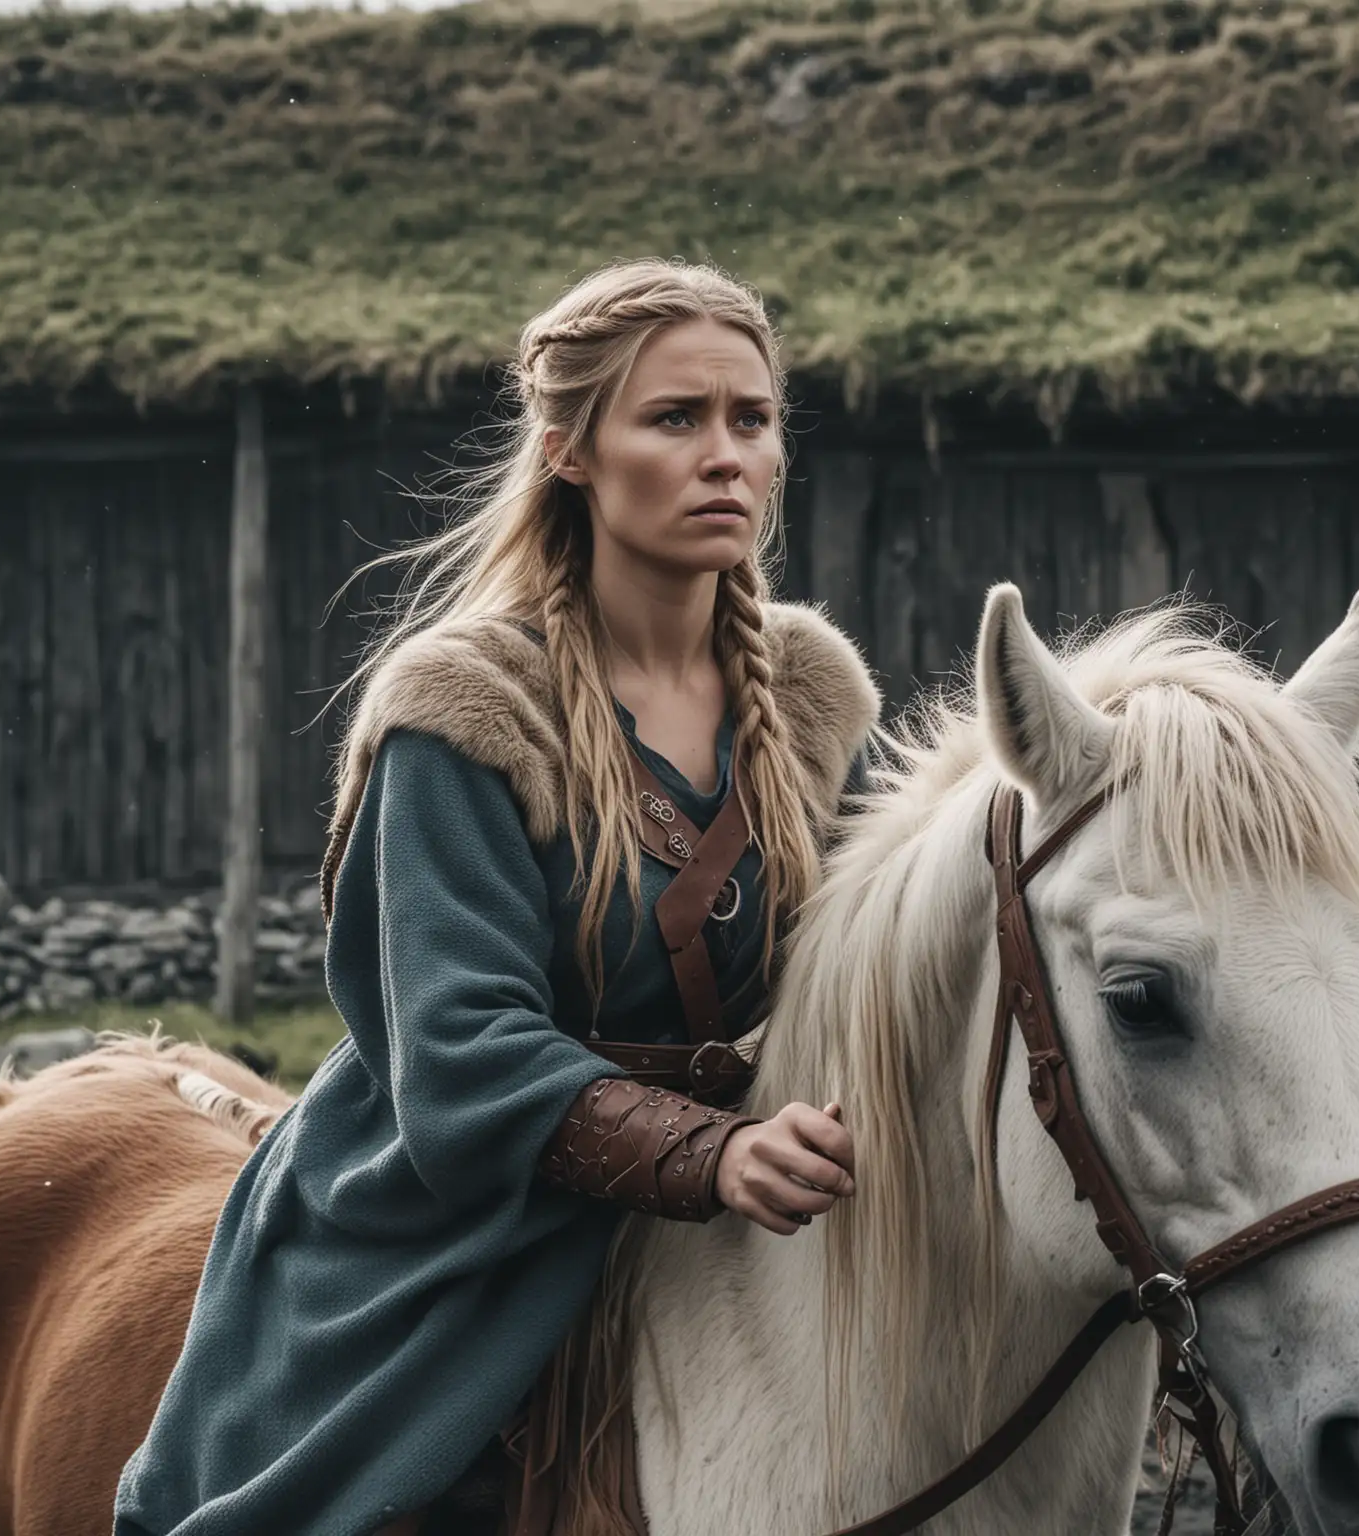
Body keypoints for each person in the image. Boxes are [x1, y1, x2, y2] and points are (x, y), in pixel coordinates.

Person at [114, 258, 879, 1536]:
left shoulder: (809, 700)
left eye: (751, 420)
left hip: (735, 1210)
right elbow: (460, 1052)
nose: (726, 456)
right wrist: (710, 1150)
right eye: (675, 419)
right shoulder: (463, 708)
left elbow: (864, 975)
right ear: (574, 449)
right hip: (457, 1221)